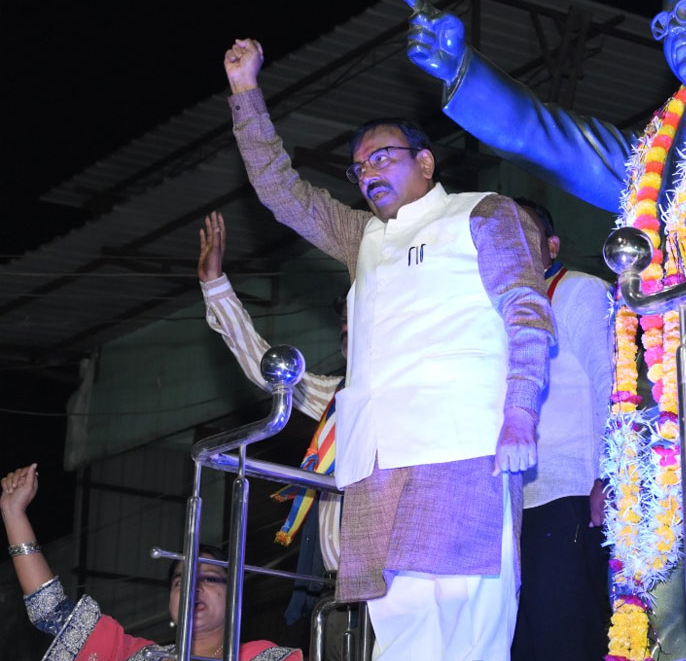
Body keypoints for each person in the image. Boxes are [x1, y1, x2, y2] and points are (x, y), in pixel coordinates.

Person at [394, 0, 686, 661]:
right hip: (671, 371)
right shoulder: (655, 155)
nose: (671, 35)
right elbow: (551, 137)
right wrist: (464, 69)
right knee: (665, 555)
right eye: (662, 26)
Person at [223, 38, 554, 661]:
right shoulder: (362, 236)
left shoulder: (483, 213)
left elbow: (528, 313)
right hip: (376, 460)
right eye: (359, 168)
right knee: (399, 631)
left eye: (382, 157)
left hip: (466, 445)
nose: (368, 173)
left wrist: (520, 412)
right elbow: (280, 192)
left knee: (470, 625)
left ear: (426, 162)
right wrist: (246, 93)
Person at [197, 210, 342, 626]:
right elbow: (267, 367)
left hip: (398, 586)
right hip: (334, 595)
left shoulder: (417, 396)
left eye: (360, 321)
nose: (349, 329)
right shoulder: (339, 397)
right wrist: (215, 286)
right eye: (345, 324)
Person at [2, 463, 303, 661]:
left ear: (236, 596)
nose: (192, 588)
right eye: (180, 582)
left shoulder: (264, 658)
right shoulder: (136, 656)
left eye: (210, 578)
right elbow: (51, 610)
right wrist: (14, 514)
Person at [509, 198, 612, 661]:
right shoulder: (503, 313)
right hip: (515, 507)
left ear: (552, 246)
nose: (511, 245)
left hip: (569, 494)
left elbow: (613, 383)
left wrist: (610, 475)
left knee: (565, 642)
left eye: (523, 233)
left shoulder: (579, 290)